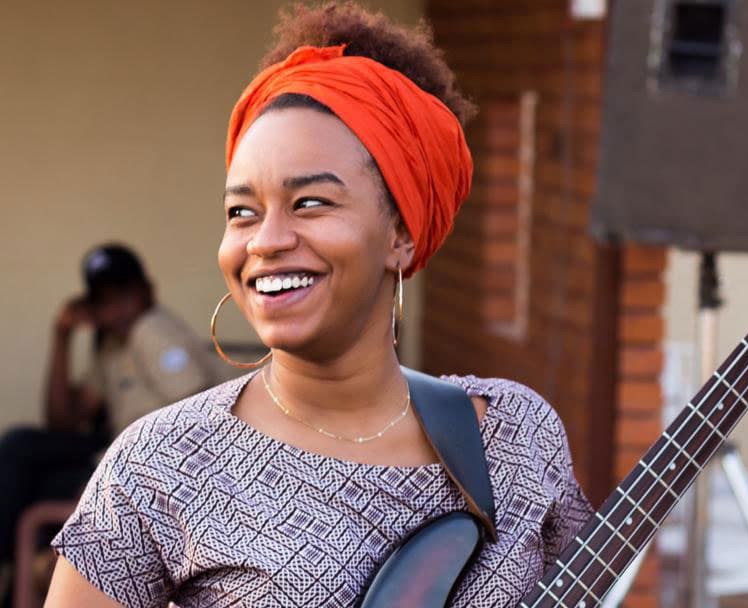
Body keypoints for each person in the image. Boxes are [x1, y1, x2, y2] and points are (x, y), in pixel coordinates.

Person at [45, 4, 594, 607]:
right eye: (242, 212)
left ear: (400, 234)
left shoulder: (517, 434)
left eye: (309, 203)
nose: (265, 241)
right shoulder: (158, 466)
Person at [0, 244, 225, 576]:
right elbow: (63, 421)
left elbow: (198, 415)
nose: (116, 308)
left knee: (34, 487)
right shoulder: (112, 343)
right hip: (118, 456)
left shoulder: (152, 328)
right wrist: (62, 335)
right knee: (21, 448)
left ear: (147, 292)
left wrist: (110, 478)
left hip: (155, 467)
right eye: (104, 301)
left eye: (124, 295)